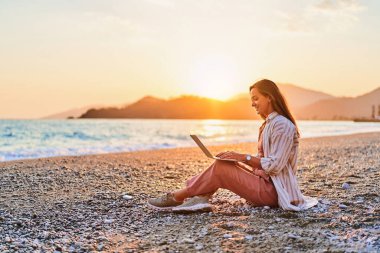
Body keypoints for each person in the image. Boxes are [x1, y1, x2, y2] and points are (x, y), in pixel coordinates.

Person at [147, 79, 318, 212]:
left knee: (222, 168)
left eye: (256, 98)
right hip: (266, 184)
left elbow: (275, 165)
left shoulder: (281, 125)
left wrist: (243, 157)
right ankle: (200, 197)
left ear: (270, 97)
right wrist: (236, 160)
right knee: (224, 163)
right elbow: (266, 162)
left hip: (275, 192)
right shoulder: (269, 124)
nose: (252, 104)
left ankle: (177, 197)